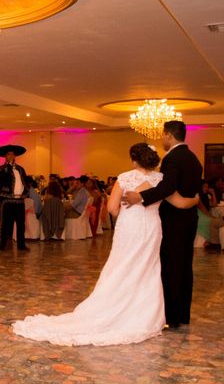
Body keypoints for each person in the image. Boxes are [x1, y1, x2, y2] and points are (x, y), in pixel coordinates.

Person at [13, 143, 198, 346]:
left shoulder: (125, 178)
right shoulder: (160, 180)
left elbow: (112, 209)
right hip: (152, 229)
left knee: (121, 266)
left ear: (133, 160)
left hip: (130, 227)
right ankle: (144, 315)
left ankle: (112, 305)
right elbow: (181, 203)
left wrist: (127, 209)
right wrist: (195, 199)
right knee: (148, 267)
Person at [123, 121, 203, 328]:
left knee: (171, 266)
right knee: (185, 266)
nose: (162, 139)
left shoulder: (173, 158)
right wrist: (192, 201)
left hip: (174, 219)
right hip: (189, 218)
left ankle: (171, 317)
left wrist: (140, 196)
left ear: (168, 134)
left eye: (163, 135)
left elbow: (167, 187)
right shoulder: (194, 158)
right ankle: (183, 314)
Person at [0, 144, 29, 251]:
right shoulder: (2, 169)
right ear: (5, 156)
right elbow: (2, 180)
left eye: (13, 154)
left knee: (21, 224)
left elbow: (25, 181)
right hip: (8, 200)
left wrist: (25, 192)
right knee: (6, 223)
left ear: (15, 156)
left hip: (19, 200)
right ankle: (2, 245)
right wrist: (8, 166)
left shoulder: (21, 169)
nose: (11, 156)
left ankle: (21, 245)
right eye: (9, 154)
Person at [196, 180, 224, 249]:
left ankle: (214, 242)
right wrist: (213, 217)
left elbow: (214, 204)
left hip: (206, 214)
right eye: (205, 186)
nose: (207, 188)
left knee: (212, 221)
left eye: (207, 187)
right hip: (200, 214)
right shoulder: (197, 196)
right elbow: (203, 210)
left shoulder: (206, 196)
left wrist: (213, 193)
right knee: (210, 221)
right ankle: (211, 241)